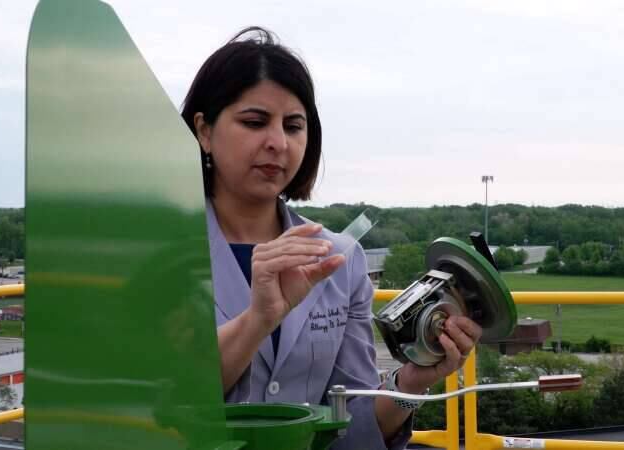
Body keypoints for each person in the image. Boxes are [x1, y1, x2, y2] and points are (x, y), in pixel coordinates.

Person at [181, 27, 481, 450]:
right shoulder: (161, 250)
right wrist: (256, 321)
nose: (277, 143)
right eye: (254, 122)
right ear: (204, 131)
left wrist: (412, 381)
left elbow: (350, 425)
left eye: (294, 125)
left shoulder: (340, 259)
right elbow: (160, 402)